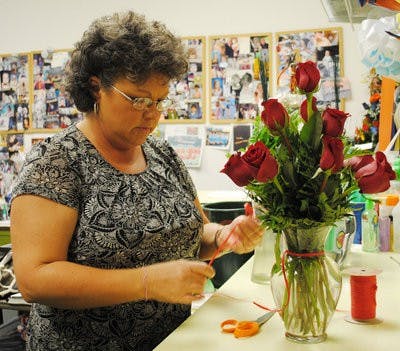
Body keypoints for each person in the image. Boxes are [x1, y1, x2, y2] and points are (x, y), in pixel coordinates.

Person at [10, 11, 263, 351]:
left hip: (173, 342)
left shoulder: (162, 155)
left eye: (160, 101)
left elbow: (191, 233)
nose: (152, 113)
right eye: (139, 99)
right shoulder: (57, 162)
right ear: (96, 87)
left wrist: (223, 235)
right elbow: (35, 279)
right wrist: (146, 282)